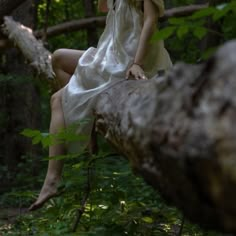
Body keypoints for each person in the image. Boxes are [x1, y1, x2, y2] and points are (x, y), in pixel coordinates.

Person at [29, 0, 172, 211]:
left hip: (127, 60)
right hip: (108, 55)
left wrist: (137, 64)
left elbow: (151, 21)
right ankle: (87, 122)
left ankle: (52, 180)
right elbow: (104, 8)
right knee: (58, 58)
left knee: (57, 100)